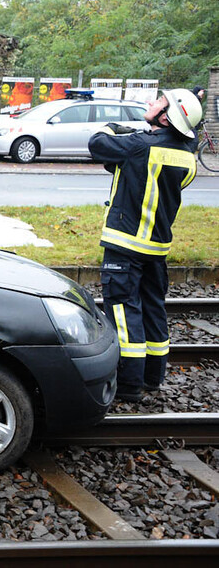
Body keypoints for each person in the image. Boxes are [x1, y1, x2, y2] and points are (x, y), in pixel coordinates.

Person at [88, 88, 202, 403]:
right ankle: (153, 377)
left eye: (158, 102)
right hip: (157, 248)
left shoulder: (140, 148)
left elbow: (98, 144)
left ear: (166, 117)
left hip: (125, 246)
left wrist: (111, 127)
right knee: (153, 310)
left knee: (124, 313)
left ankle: (128, 384)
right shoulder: (187, 157)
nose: (151, 102)